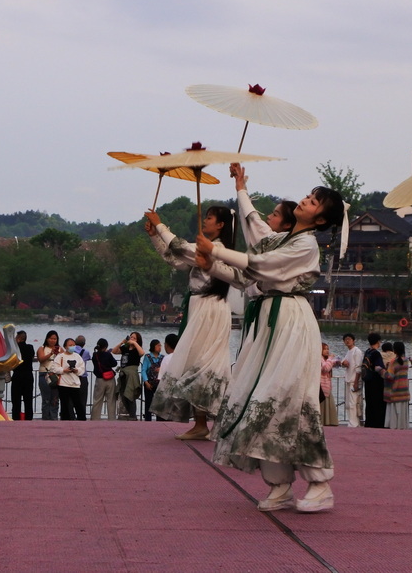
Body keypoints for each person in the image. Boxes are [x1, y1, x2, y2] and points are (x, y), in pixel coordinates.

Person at [196, 183, 345, 513]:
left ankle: (320, 483)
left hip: (290, 323)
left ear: (320, 220)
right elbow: (248, 273)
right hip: (267, 325)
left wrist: (216, 250)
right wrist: (211, 265)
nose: (304, 201)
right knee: (259, 401)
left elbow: (260, 265)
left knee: (286, 399)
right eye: (307, 197)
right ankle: (279, 485)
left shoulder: (305, 245)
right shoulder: (284, 240)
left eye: (311, 201)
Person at [145, 204, 235, 438]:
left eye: (209, 218)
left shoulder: (216, 248)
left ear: (221, 224)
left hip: (208, 308)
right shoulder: (212, 248)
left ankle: (204, 422)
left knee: (201, 362)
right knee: (198, 361)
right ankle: (201, 423)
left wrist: (159, 224)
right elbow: (176, 259)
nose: (205, 221)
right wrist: (156, 237)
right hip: (202, 307)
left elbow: (181, 247)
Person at [50, 338, 86, 420]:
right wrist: (64, 370)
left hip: (75, 384)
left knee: (78, 404)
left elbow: (82, 369)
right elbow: (54, 368)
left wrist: (76, 370)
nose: (72, 347)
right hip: (63, 384)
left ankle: (82, 420)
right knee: (64, 405)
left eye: (74, 345)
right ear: (65, 346)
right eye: (70, 345)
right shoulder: (60, 356)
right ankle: (65, 420)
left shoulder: (78, 357)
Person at [377, 341, 409, 430]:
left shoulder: (393, 362)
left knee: (394, 413)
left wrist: (380, 370)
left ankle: (394, 428)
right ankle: (402, 427)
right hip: (404, 391)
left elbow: (389, 376)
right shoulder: (406, 360)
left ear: (394, 350)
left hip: (394, 391)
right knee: (402, 413)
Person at [112, 332, 144, 420]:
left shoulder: (137, 349)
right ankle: (129, 414)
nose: (131, 338)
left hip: (132, 374)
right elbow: (114, 351)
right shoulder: (125, 348)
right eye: (131, 337)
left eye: (134, 337)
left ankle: (133, 415)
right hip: (123, 374)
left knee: (130, 395)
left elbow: (142, 353)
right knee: (122, 395)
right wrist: (122, 342)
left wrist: (134, 343)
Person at [361, 333, 386, 428]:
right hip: (376, 382)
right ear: (378, 341)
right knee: (378, 403)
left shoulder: (367, 352)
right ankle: (378, 423)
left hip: (368, 380)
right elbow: (378, 367)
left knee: (369, 402)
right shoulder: (376, 353)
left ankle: (369, 422)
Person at [338, 334, 363, 427]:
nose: (347, 341)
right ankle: (351, 421)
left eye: (349, 339)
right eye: (345, 340)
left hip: (354, 381)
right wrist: (343, 363)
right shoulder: (348, 352)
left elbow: (358, 368)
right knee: (348, 404)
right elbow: (343, 362)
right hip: (348, 380)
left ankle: (354, 423)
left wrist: (356, 382)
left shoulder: (357, 351)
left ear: (353, 340)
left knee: (354, 403)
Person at [90, 338, 117, 421]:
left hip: (99, 379)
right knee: (111, 400)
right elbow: (114, 363)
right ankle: (111, 419)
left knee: (97, 400)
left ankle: (95, 419)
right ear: (106, 346)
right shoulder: (108, 354)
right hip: (110, 379)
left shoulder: (95, 355)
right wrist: (108, 353)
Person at [11, 330, 35, 420]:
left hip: (17, 375)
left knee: (16, 400)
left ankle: (16, 418)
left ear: (19, 338)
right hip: (28, 375)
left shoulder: (15, 349)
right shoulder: (30, 347)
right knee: (28, 400)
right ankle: (29, 418)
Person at [37, 331, 61, 421]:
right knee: (46, 398)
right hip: (44, 374)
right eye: (51, 338)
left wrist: (57, 353)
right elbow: (41, 359)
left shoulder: (60, 349)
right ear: (47, 339)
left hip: (56, 375)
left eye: (55, 339)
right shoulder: (42, 348)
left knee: (55, 399)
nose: (53, 340)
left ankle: (54, 418)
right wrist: (51, 353)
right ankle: (45, 418)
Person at [140, 340, 164, 422]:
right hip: (149, 383)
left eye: (160, 346)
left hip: (159, 384)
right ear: (153, 346)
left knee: (159, 404)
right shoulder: (147, 357)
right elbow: (143, 370)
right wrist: (146, 381)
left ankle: (159, 420)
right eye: (158, 346)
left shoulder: (162, 358)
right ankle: (148, 420)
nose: (160, 347)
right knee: (148, 403)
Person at [319, 343, 338, 426]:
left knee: (328, 405)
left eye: (327, 349)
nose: (327, 351)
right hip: (322, 387)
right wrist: (331, 359)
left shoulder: (325, 360)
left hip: (327, 386)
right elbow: (325, 368)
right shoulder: (320, 359)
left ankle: (328, 421)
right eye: (325, 349)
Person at [75, 335, 91, 413]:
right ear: (84, 344)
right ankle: (81, 415)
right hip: (83, 377)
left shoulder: (71, 350)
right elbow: (88, 358)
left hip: (72, 376)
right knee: (82, 398)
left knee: (71, 398)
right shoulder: (86, 352)